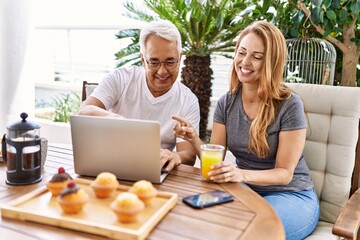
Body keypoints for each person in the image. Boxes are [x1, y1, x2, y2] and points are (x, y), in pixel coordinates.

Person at [172, 21, 319, 240]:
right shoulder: (226, 103)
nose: (245, 62)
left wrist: (241, 174)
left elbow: (285, 174)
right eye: (242, 52)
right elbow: (215, 159)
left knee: (250, 233)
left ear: (271, 62)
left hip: (291, 196)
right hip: (243, 191)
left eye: (257, 57)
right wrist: (194, 138)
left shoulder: (289, 104)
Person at [77, 19, 200, 172]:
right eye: (154, 63)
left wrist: (176, 157)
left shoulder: (188, 100)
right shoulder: (120, 79)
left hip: (156, 171)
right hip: (111, 166)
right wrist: (119, 120)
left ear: (180, 58)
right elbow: (84, 111)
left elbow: (188, 154)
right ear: (143, 59)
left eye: (170, 62)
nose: (162, 72)